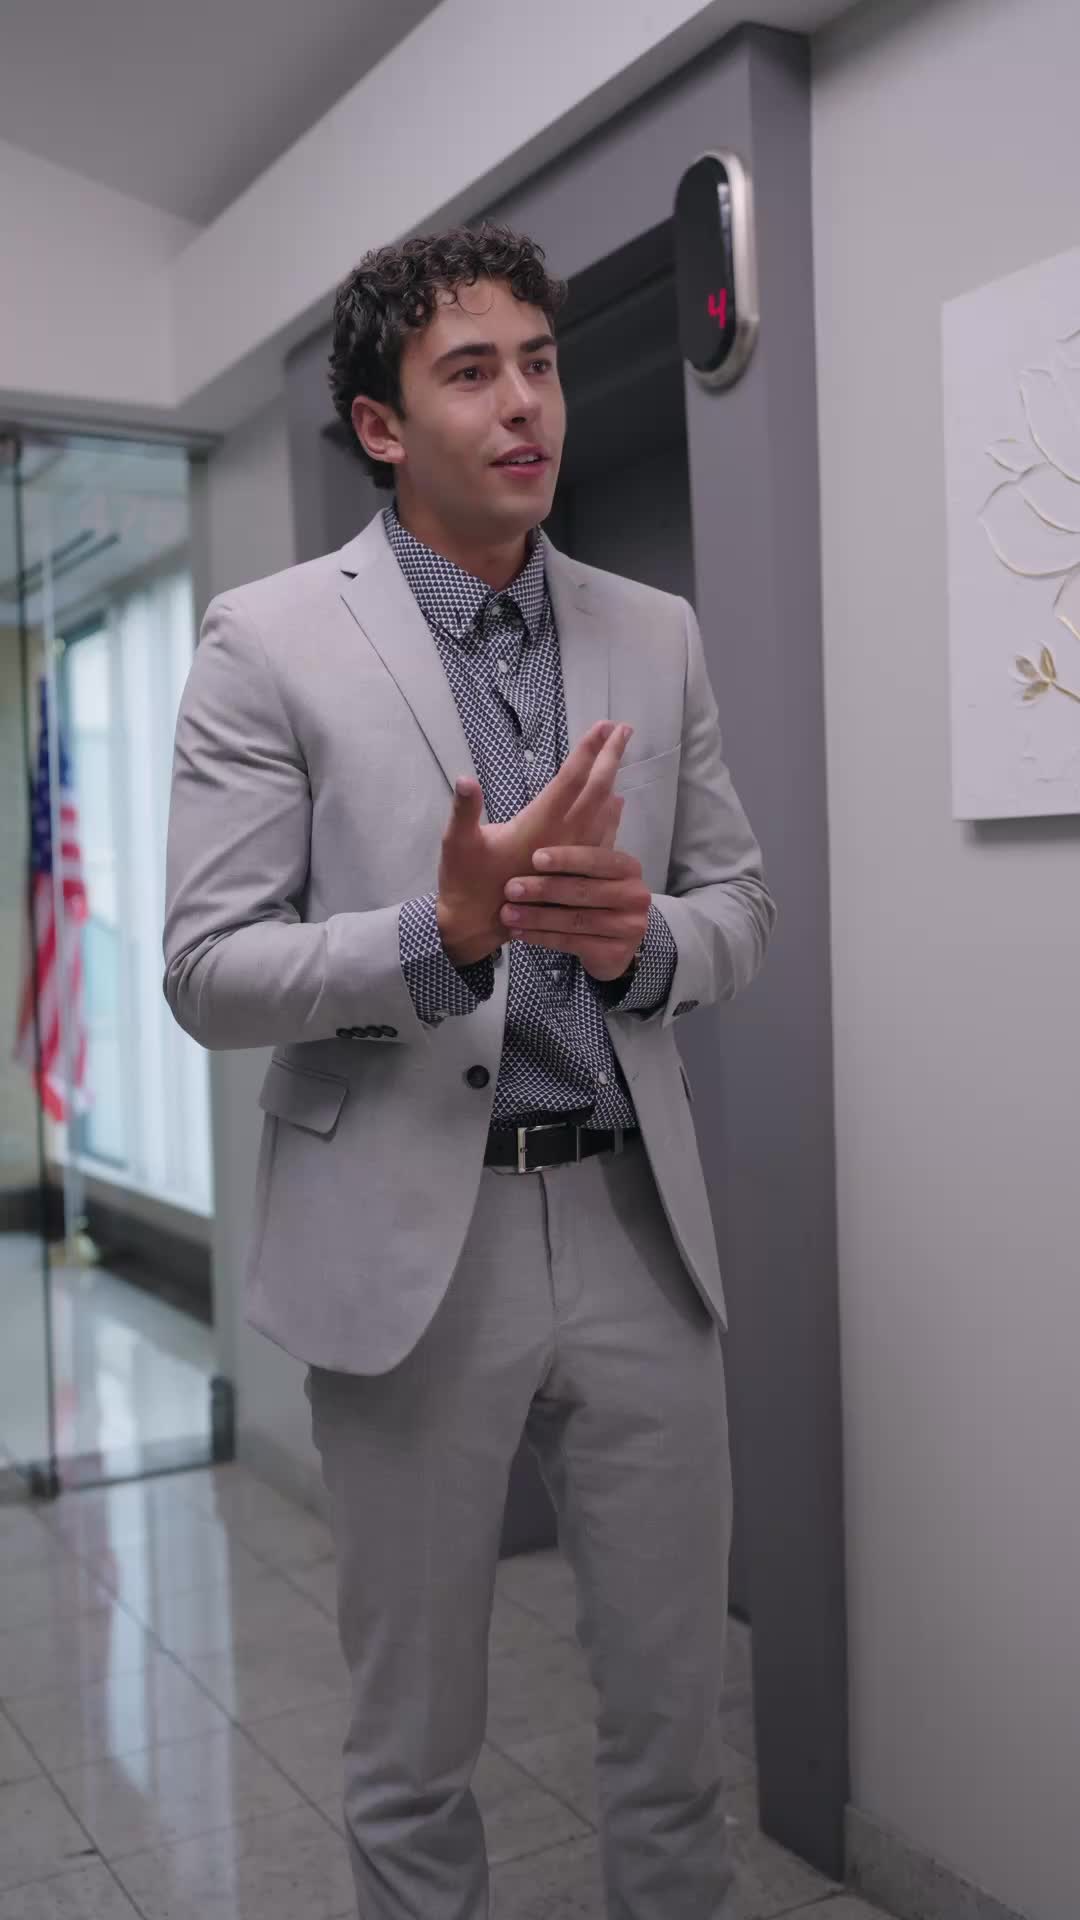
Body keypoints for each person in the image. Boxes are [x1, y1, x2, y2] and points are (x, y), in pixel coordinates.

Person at [163, 221, 776, 1920]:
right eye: (472, 372)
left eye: (543, 364)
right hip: (406, 1252)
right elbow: (206, 972)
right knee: (414, 1759)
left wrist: (646, 942)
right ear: (381, 424)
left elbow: (742, 908)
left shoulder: (654, 631)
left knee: (677, 1735)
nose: (527, 405)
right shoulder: (269, 640)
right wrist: (431, 938)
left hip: (639, 1230)